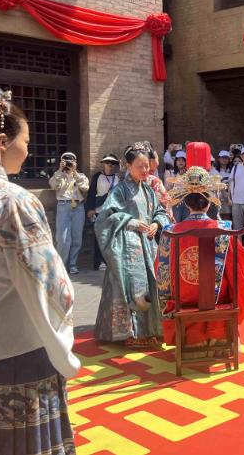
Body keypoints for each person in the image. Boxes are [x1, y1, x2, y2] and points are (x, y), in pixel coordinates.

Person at [0, 86, 80, 454]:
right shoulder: (11, 200)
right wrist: (65, 334)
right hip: (16, 348)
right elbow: (49, 283)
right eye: (25, 141)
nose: (27, 150)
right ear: (2, 141)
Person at [155, 167, 244, 350]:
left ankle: (192, 340)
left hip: (183, 297)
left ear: (185, 203)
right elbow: (239, 263)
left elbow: (160, 268)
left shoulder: (170, 232)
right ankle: (219, 335)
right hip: (217, 298)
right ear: (209, 203)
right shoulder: (224, 230)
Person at [94, 142, 170, 347]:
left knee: (152, 284)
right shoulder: (119, 191)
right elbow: (105, 217)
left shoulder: (149, 190)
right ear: (128, 166)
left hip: (148, 245)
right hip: (127, 248)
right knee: (128, 285)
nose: (145, 170)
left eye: (147, 166)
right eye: (140, 166)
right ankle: (129, 333)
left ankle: (152, 329)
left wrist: (156, 223)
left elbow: (160, 212)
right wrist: (131, 222)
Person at [49, 151, 90, 275]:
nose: (68, 163)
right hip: (63, 206)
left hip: (78, 207)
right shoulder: (58, 175)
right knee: (62, 239)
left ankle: (72, 264)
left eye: (71, 161)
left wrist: (75, 172)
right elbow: (53, 186)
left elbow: (85, 187)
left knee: (77, 238)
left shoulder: (80, 176)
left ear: (75, 162)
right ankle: (61, 265)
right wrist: (60, 170)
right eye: (66, 160)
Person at [86, 153, 121, 271]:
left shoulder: (117, 178)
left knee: (111, 236)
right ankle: (99, 261)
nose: (110, 165)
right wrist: (90, 208)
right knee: (99, 237)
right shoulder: (97, 176)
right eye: (107, 162)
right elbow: (91, 193)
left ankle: (109, 261)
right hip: (99, 210)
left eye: (112, 163)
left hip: (113, 210)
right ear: (103, 164)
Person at [169, 150, 189, 223]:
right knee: (175, 223)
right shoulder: (170, 172)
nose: (181, 162)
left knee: (186, 223)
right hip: (175, 200)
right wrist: (178, 176)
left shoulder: (189, 174)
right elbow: (168, 188)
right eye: (179, 160)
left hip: (187, 201)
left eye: (183, 160)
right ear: (175, 162)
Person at [215, 150, 234, 220]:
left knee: (228, 217)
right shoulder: (215, 170)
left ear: (229, 160)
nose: (224, 159)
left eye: (226, 158)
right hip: (218, 198)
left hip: (230, 198)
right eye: (222, 157)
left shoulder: (232, 170)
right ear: (219, 159)